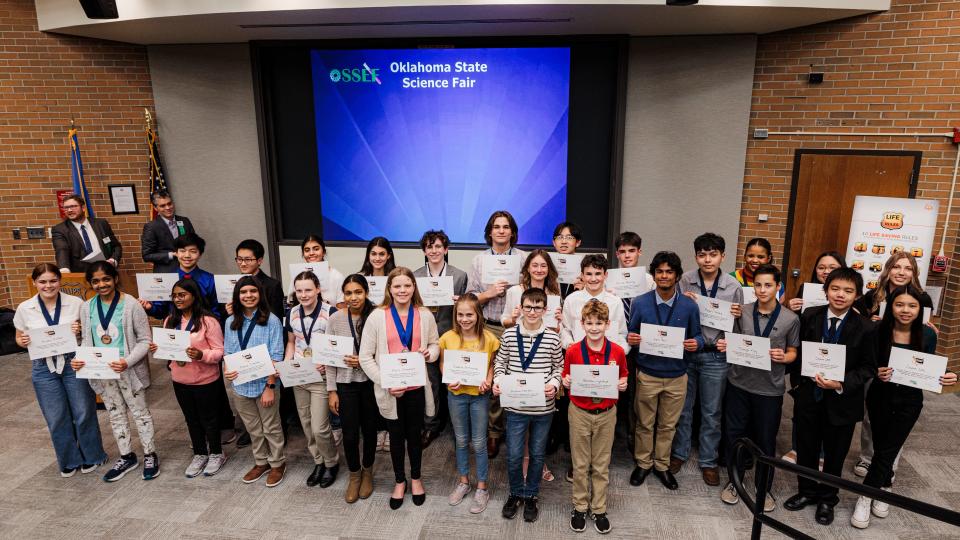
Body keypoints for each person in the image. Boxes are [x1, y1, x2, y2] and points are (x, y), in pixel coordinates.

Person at [850, 284, 956, 529]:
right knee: (881, 446)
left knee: (889, 449)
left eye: (912, 305)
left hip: (910, 401)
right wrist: (876, 373)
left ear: (920, 309)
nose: (905, 310)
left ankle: (866, 496)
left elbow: (929, 367)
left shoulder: (928, 334)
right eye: (899, 304)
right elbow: (867, 365)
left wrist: (947, 375)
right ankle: (885, 485)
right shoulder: (877, 330)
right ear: (891, 307)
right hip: (879, 397)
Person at [784, 268, 877, 526]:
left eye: (848, 291)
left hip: (842, 402)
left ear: (857, 295)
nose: (840, 295)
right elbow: (798, 352)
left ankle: (827, 498)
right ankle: (806, 491)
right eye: (835, 288)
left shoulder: (866, 328)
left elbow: (868, 368)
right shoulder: (809, 316)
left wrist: (840, 383)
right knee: (806, 447)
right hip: (809, 397)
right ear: (825, 290)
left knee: (835, 454)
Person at [717, 264, 799, 512]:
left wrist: (784, 357)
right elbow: (733, 341)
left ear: (777, 287)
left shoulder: (790, 318)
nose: (762, 290)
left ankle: (764, 487)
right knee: (734, 435)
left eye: (768, 285)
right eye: (758, 285)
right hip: (739, 384)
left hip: (769, 389)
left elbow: (794, 352)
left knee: (765, 440)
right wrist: (725, 346)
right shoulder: (740, 312)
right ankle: (735, 481)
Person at [14, 263, 107, 477]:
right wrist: (23, 340)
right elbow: (19, 337)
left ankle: (92, 455)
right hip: (43, 366)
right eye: (43, 281)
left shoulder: (75, 303)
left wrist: (80, 328)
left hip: (73, 362)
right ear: (35, 282)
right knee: (56, 417)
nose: (48, 286)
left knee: (83, 411)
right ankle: (69, 459)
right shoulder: (25, 308)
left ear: (60, 281)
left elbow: (89, 333)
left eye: (53, 280)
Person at [358, 267, 440, 510]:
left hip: (416, 387)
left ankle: (416, 478)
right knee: (395, 438)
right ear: (389, 289)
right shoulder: (377, 316)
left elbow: (435, 345)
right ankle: (399, 481)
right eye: (397, 286)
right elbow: (365, 357)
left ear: (414, 287)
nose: (402, 290)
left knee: (414, 436)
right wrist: (385, 381)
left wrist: (430, 353)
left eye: (407, 285)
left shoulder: (424, 315)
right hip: (391, 389)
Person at [71, 261, 158, 482]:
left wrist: (127, 362)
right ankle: (127, 456)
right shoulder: (86, 307)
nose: (102, 284)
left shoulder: (131, 305)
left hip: (128, 370)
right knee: (115, 413)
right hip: (103, 371)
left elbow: (145, 340)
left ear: (115, 279)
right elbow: (84, 341)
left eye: (106, 279)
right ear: (90, 283)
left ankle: (150, 454)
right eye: (96, 281)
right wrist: (79, 359)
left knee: (140, 412)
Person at [851, 251, 934, 480]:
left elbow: (924, 329)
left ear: (914, 273)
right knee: (872, 416)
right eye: (897, 267)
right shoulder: (872, 296)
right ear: (889, 269)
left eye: (907, 268)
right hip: (877, 364)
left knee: (898, 420)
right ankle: (868, 459)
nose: (901, 272)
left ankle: (887, 464)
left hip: (907, 367)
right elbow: (857, 321)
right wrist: (871, 323)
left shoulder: (922, 298)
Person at [627, 251, 703, 491]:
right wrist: (632, 338)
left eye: (669, 272)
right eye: (659, 271)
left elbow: (698, 335)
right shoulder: (640, 302)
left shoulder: (689, 306)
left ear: (677, 276)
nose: (664, 275)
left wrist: (697, 343)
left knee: (668, 425)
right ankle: (643, 463)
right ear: (654, 274)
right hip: (647, 374)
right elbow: (630, 333)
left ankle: (661, 465)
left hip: (677, 376)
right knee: (645, 423)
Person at [673, 233, 743, 486]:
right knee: (684, 408)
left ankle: (708, 461)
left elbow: (741, 326)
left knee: (712, 412)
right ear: (696, 256)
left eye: (713, 254)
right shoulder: (685, 281)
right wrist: (684, 303)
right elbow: (676, 314)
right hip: (689, 352)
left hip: (716, 355)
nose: (707, 259)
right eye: (702, 254)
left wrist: (737, 318)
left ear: (722, 256)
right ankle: (679, 453)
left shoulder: (733, 287)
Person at [493, 287, 563, 523]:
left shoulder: (553, 337)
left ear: (545, 309)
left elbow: (559, 367)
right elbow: (500, 362)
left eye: (537, 307)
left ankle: (531, 494)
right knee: (513, 455)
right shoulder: (510, 335)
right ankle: (515, 493)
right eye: (528, 307)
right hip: (515, 408)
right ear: (520, 308)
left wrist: (554, 383)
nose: (532, 311)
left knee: (536, 454)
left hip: (543, 408)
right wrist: (498, 381)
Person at [148, 278, 227, 477]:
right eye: (174, 296)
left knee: (209, 419)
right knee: (191, 419)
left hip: (205, 380)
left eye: (182, 295)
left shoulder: (208, 321)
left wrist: (202, 355)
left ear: (194, 295)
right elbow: (168, 352)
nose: (177, 299)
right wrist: (159, 349)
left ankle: (217, 453)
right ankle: (200, 453)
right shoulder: (169, 320)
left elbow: (219, 352)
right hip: (180, 379)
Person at [561, 300, 628, 534]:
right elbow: (566, 375)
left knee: (600, 465)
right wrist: (565, 380)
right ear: (582, 324)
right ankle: (580, 506)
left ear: (608, 324)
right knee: (580, 464)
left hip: (607, 414)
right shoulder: (573, 351)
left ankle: (598, 508)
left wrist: (623, 383)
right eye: (589, 323)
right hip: (579, 412)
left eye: (599, 323)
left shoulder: (617, 352)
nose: (594, 328)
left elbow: (624, 376)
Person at [467, 210, 527, 459]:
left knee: (518, 380)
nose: (501, 231)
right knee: (492, 383)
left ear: (512, 232)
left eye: (506, 227)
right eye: (496, 227)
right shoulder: (478, 261)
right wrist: (489, 293)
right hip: (490, 326)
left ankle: (516, 433)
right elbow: (469, 300)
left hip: (519, 328)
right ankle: (492, 433)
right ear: (489, 232)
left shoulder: (525, 259)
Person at [781, 250, 845, 463]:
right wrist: (791, 308)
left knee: (830, 409)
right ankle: (798, 448)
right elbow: (797, 325)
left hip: (835, 362)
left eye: (832, 268)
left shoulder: (849, 297)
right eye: (821, 267)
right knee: (803, 404)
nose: (826, 271)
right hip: (806, 359)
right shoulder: (805, 290)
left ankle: (822, 453)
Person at [223, 275, 287, 487]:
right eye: (243, 292)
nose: (248, 296)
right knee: (253, 428)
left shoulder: (272, 321)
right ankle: (261, 462)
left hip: (264, 385)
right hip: (241, 385)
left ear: (260, 294)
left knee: (271, 426)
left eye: (253, 291)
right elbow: (228, 352)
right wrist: (227, 369)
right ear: (237, 296)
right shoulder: (230, 321)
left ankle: (277, 463)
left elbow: (276, 355)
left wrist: (270, 386)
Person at [440, 294, 499, 514]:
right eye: (461, 315)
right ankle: (464, 481)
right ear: (456, 315)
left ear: (478, 315)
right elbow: (443, 364)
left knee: (479, 442)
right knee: (461, 440)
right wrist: (448, 378)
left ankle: (482, 487)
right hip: (456, 395)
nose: (465, 319)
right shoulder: (448, 337)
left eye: (469, 314)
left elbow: (491, 365)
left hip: (479, 396)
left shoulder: (489, 338)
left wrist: (489, 381)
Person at [326, 274, 379, 503]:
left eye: (358, 292)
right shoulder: (335, 319)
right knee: (349, 434)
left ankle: (368, 471)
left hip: (370, 383)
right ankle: (354, 475)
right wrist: (331, 390)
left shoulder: (377, 316)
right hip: (345, 384)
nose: (353, 297)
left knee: (369, 431)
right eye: (348, 293)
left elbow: (386, 349)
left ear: (366, 292)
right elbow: (329, 356)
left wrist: (365, 360)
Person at [413, 229, 468, 449]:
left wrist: (459, 302)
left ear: (446, 249)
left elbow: (467, 309)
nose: (433, 250)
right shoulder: (415, 276)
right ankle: (431, 425)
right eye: (429, 247)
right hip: (425, 335)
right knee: (431, 382)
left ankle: (458, 427)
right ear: (424, 251)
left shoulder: (459, 275)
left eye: (438, 246)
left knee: (455, 380)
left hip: (452, 333)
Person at [284, 271, 339, 488]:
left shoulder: (331, 312)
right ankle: (319, 461)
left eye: (308, 290)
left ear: (318, 289)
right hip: (299, 374)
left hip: (321, 377)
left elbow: (336, 347)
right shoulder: (291, 313)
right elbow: (291, 343)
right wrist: (286, 364)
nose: (303, 295)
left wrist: (328, 362)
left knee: (320, 427)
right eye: (299, 290)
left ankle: (332, 462)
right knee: (306, 425)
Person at [612, 231, 655, 454]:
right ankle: (612, 436)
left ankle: (633, 435)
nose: (627, 256)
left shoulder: (650, 281)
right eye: (622, 252)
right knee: (617, 389)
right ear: (617, 254)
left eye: (631, 251)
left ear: (639, 252)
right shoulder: (608, 279)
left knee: (639, 394)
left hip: (643, 344)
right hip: (618, 344)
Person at [140, 233, 220, 321]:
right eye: (182, 251)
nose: (187, 255)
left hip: (202, 330)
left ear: (200, 254)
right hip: (174, 329)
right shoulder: (167, 280)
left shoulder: (210, 280)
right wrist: (150, 307)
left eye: (193, 251)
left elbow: (216, 311)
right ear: (176, 253)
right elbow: (161, 312)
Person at [561, 254, 629, 351]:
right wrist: (569, 344)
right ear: (582, 275)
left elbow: (621, 333)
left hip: (607, 357)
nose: (593, 279)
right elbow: (565, 329)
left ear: (605, 275)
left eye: (598, 274)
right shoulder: (571, 300)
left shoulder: (616, 302)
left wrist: (620, 351)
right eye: (589, 274)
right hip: (579, 355)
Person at [52, 194, 122, 273]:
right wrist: (64, 269)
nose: (69, 210)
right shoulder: (60, 229)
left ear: (83, 208)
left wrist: (113, 260)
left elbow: (116, 246)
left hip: (106, 271)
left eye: (73, 206)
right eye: (66, 208)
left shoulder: (101, 224)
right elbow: (61, 249)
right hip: (81, 275)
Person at [502, 249, 562, 331]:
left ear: (549, 269)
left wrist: (558, 323)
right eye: (535, 265)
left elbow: (556, 330)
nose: (539, 270)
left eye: (543, 266)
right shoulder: (515, 291)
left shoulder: (554, 293)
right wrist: (513, 320)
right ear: (528, 268)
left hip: (544, 342)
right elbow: (504, 322)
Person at [140, 190, 196, 273]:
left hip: (190, 270)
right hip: (167, 272)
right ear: (156, 208)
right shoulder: (151, 227)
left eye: (169, 203)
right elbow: (147, 255)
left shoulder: (184, 221)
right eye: (163, 206)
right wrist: (171, 255)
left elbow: (195, 243)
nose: (168, 208)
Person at [233, 239, 285, 319]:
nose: (243, 264)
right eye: (239, 259)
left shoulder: (272, 285)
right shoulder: (233, 283)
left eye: (248, 260)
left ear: (259, 261)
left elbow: (277, 317)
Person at [300, 234, 346, 307]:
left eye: (316, 249)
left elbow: (342, 310)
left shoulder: (337, 277)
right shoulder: (298, 276)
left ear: (323, 252)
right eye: (307, 250)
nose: (311, 253)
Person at [552, 221, 584, 299]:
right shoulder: (547, 265)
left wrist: (585, 290)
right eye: (560, 237)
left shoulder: (585, 266)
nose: (564, 242)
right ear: (554, 242)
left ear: (578, 242)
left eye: (569, 237)